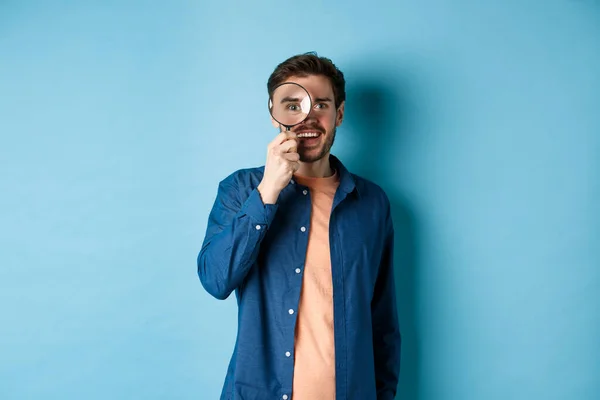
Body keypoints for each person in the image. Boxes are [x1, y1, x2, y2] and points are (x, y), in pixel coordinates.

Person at [197, 52, 401, 400]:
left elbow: (382, 320)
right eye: (293, 105)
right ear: (275, 115)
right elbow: (216, 280)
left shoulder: (372, 203)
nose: (308, 116)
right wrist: (267, 193)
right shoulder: (241, 190)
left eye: (320, 104)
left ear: (338, 114)